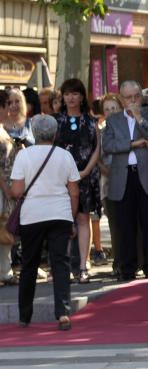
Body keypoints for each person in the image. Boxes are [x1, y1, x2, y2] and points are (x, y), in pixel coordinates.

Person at [11, 115, 79, 330]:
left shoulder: (24, 156)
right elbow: (74, 192)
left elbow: (17, 191)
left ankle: (24, 315)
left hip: (32, 215)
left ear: (34, 132)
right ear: (55, 133)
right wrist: (72, 216)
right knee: (60, 263)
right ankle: (62, 313)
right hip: (60, 213)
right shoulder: (65, 156)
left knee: (29, 264)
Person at [102, 80, 148, 281]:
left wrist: (139, 119)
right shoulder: (113, 120)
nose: (132, 101)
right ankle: (127, 268)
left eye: (136, 96)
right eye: (128, 97)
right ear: (121, 98)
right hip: (123, 177)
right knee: (125, 225)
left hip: (147, 175)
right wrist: (133, 143)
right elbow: (108, 145)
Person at [54, 78, 102, 283]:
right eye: (67, 94)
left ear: (82, 96)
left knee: (83, 219)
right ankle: (62, 268)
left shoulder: (91, 121)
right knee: (62, 222)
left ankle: (83, 265)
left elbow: (97, 149)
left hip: (85, 176)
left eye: (75, 93)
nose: (71, 97)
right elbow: (50, 148)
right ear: (63, 97)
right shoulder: (55, 121)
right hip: (59, 179)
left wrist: (85, 171)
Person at [97, 94, 125, 279]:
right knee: (115, 224)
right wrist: (103, 168)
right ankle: (118, 263)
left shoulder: (127, 128)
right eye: (106, 109)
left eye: (113, 108)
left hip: (127, 179)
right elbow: (96, 157)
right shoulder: (100, 132)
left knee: (129, 223)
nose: (110, 112)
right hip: (108, 183)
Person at [0, 125, 15, 284]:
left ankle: (5, 270)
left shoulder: (4, 129)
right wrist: (6, 189)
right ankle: (5, 271)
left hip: (6, 186)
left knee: (4, 228)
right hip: (2, 188)